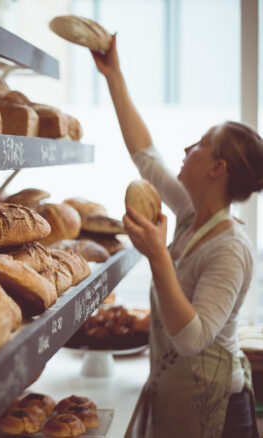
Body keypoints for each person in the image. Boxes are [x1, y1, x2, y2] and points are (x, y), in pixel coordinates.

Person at [91, 34, 263, 438]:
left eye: (200, 144)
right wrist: (114, 74)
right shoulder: (190, 215)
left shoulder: (231, 248)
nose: (187, 149)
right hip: (177, 395)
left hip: (219, 412)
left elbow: (193, 338)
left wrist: (157, 256)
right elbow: (146, 157)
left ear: (216, 168)